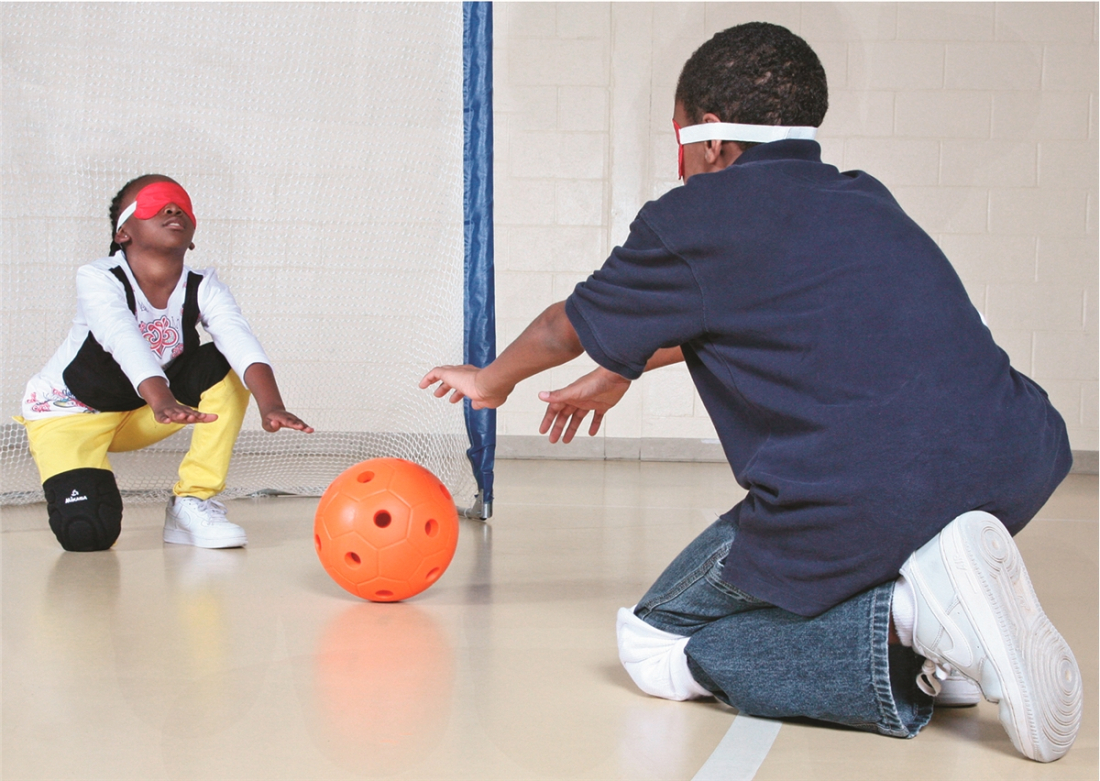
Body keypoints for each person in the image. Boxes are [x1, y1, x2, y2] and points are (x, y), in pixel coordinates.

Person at [421, 23, 1082, 763]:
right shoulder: (865, 198)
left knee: (655, 644)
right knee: (893, 512)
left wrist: (489, 381)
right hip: (1016, 456)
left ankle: (909, 620)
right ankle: (955, 646)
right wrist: (625, 362)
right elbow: (755, 313)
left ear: (709, 138)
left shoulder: (694, 219)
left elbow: (558, 327)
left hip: (873, 490)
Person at [16, 174, 313, 552]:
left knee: (223, 364)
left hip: (148, 410)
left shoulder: (204, 286)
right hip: (70, 415)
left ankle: (193, 501)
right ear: (123, 232)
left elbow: (239, 340)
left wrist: (272, 405)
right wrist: (160, 397)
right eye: (156, 202)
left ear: (191, 237)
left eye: (181, 204)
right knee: (87, 534)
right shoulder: (99, 278)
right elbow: (120, 336)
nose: (173, 208)